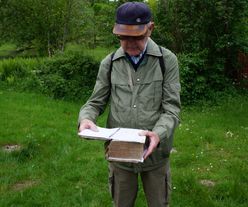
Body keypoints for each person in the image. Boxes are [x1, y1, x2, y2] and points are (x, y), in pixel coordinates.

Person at [78, 2, 181, 207]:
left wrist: (157, 134)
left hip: (156, 157)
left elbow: (172, 109)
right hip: (120, 154)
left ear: (150, 29)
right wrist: (86, 118)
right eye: (124, 37)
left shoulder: (166, 60)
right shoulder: (109, 63)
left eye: (137, 37)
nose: (130, 43)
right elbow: (95, 101)